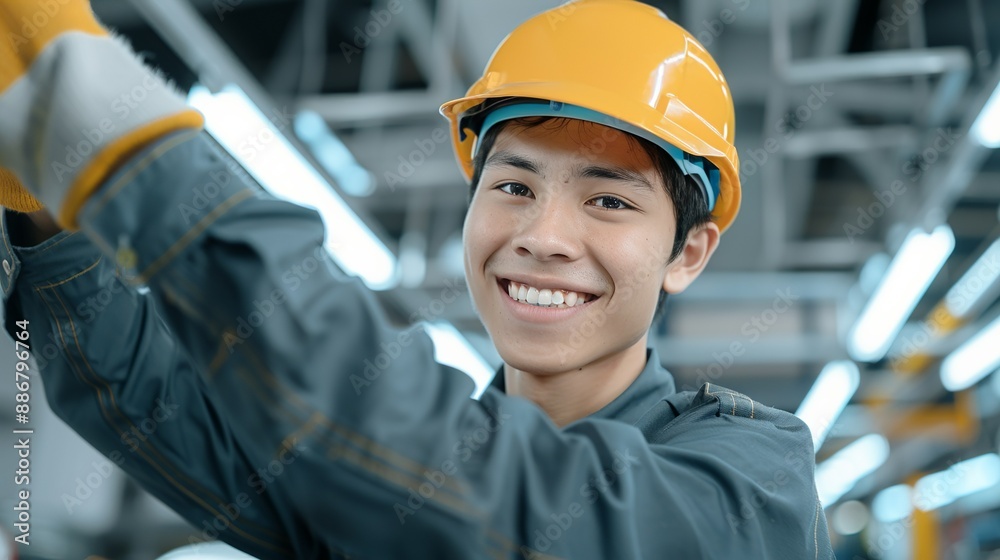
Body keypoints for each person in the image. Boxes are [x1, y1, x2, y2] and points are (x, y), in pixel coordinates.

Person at [0, 0, 834, 558]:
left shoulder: (752, 478)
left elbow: (504, 501)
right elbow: (158, 409)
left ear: (687, 253)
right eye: (513, 187)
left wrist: (135, 151)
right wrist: (44, 211)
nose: (542, 237)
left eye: (609, 201)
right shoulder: (375, 472)